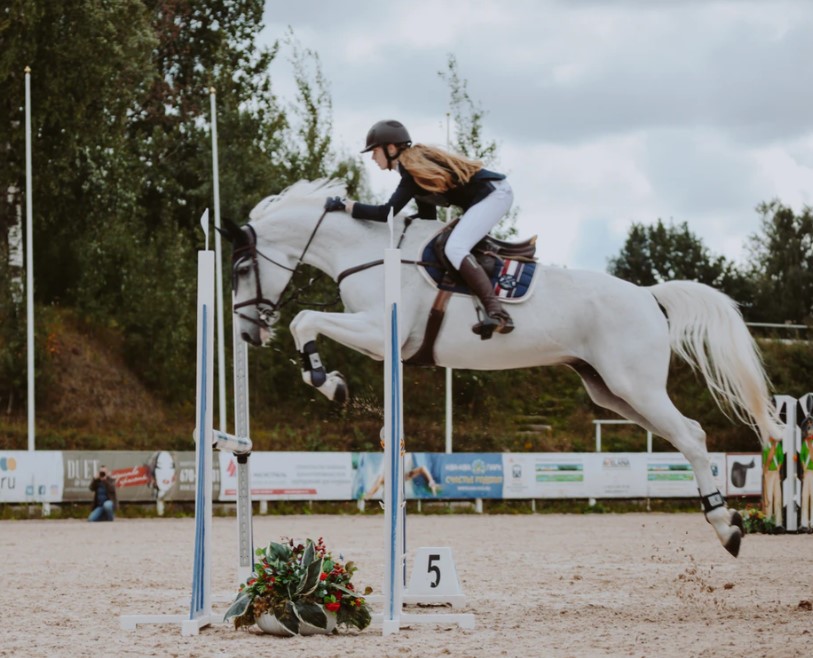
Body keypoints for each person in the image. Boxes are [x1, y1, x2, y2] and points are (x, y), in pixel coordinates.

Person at [325, 119, 515, 339]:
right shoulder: (415, 170)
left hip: (494, 194)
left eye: (375, 151)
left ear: (391, 148)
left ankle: (497, 312)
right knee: (451, 245)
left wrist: (347, 205)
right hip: (489, 195)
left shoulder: (411, 170)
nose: (372, 158)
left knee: (455, 248)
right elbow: (427, 217)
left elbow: (385, 213)